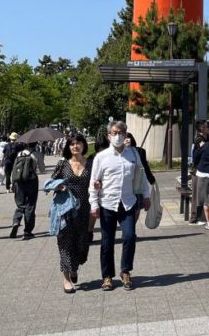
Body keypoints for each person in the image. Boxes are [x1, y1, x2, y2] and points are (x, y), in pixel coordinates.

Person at [88, 121, 149, 291]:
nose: (118, 136)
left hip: (128, 203)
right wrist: (94, 203)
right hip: (107, 203)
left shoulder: (133, 154)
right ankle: (107, 276)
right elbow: (94, 182)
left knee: (130, 236)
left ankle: (125, 271)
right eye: (114, 133)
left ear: (126, 134)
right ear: (109, 135)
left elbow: (141, 175)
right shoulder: (101, 157)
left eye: (121, 132)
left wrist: (147, 195)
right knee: (107, 242)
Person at [50, 134, 92, 293]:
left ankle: (74, 267)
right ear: (68, 147)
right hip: (65, 211)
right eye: (72, 144)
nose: (75, 146)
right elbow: (50, 183)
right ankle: (66, 279)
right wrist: (58, 186)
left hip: (84, 211)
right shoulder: (62, 164)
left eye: (78, 143)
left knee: (82, 246)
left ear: (83, 145)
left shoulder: (91, 164)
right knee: (65, 244)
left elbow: (98, 182)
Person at [123, 132, 157, 221]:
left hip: (137, 183)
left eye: (128, 137)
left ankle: (132, 226)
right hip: (126, 185)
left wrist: (151, 179)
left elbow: (145, 167)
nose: (127, 139)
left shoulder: (139, 151)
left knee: (137, 208)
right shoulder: (119, 153)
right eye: (125, 138)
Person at [9, 143, 38, 239]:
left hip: (18, 182)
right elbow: (42, 169)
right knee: (30, 205)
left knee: (20, 204)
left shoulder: (19, 154)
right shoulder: (34, 155)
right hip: (31, 181)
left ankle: (16, 222)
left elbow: (14, 169)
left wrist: (12, 183)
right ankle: (27, 231)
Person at [188, 121, 209, 225]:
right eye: (207, 127)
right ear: (201, 129)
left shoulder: (206, 139)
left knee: (204, 194)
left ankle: (201, 217)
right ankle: (194, 218)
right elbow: (196, 156)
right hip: (197, 171)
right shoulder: (199, 140)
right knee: (197, 195)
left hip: (203, 170)